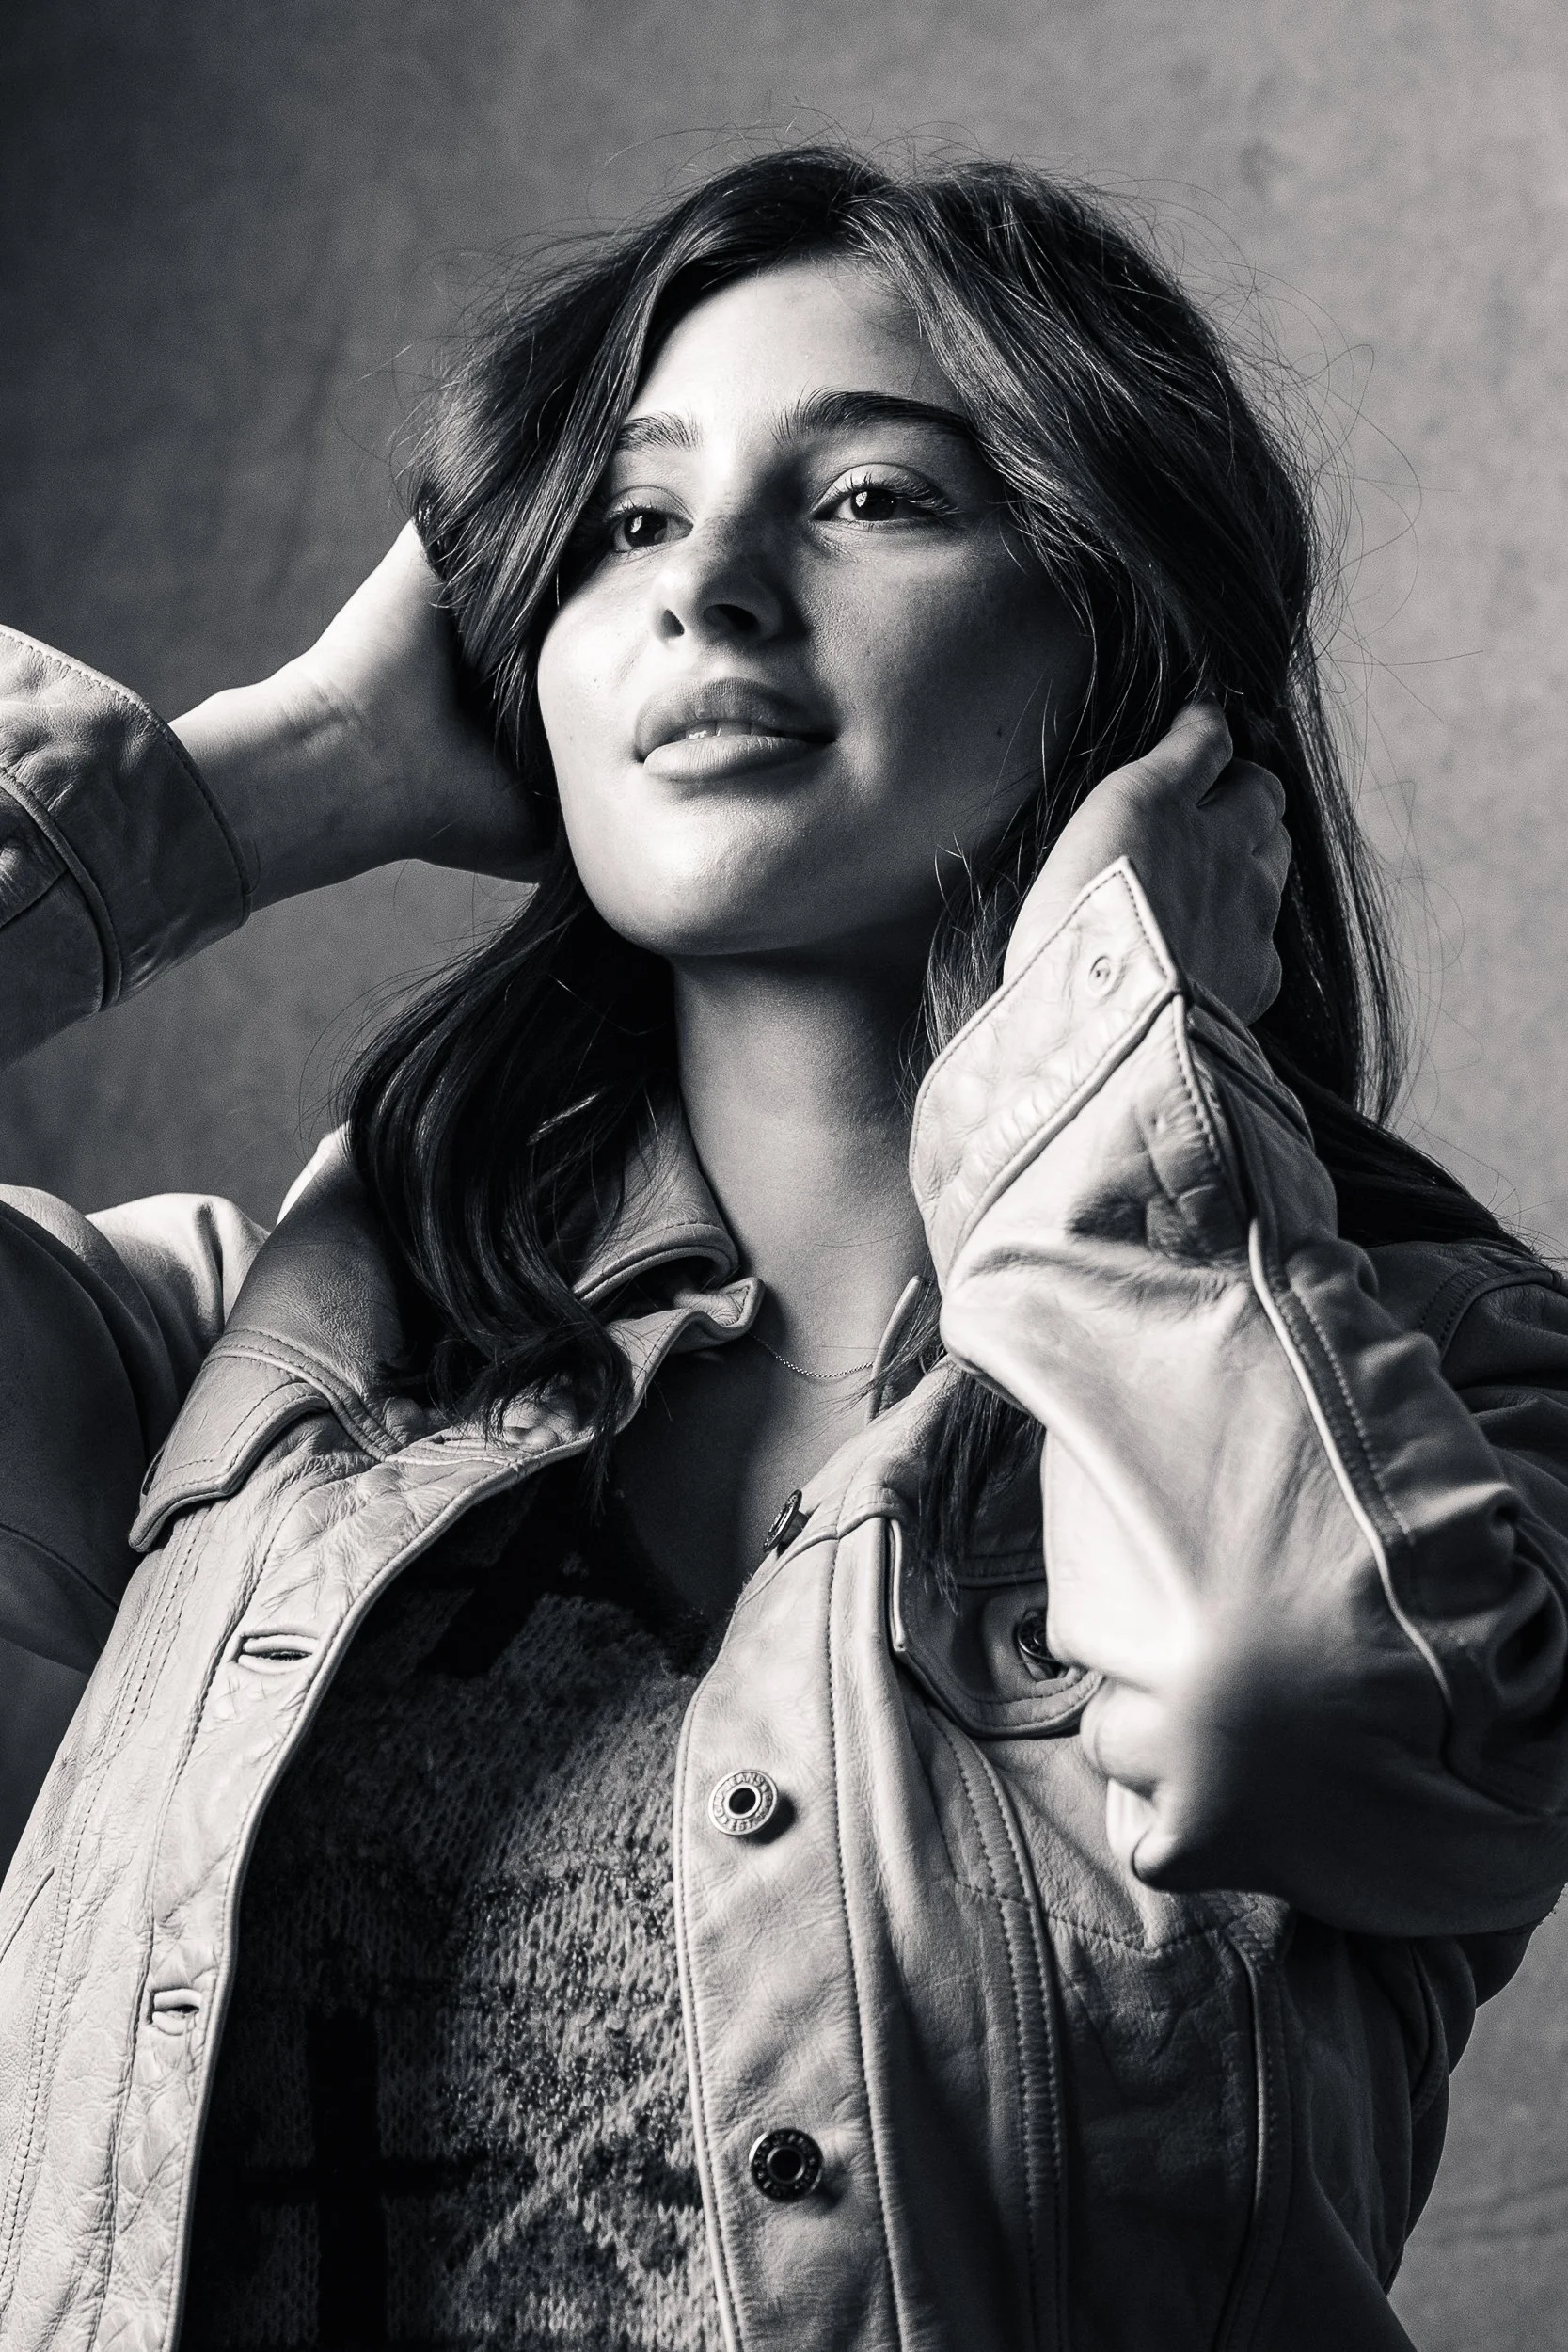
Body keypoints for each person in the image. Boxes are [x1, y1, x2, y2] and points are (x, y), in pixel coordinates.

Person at [0, 145, 1564, 2352]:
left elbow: (1281, 1704)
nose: (708, 593)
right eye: (627, 522)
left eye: (868, 499)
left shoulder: (1447, 1405)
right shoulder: (201, 1382)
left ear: (1123, 652)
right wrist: (259, 785)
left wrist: (1117, 1046)